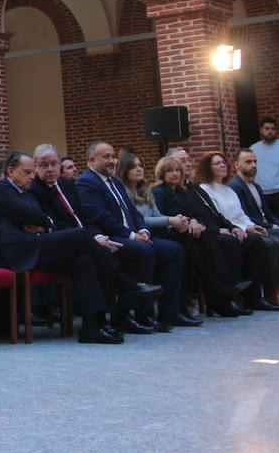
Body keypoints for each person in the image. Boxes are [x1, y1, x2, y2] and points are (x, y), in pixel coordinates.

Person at [0, 151, 161, 344]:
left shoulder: (24, 191)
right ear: (11, 170)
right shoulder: (0, 188)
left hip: (35, 243)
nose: (32, 177)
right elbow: (35, 216)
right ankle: (123, 283)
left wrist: (42, 222)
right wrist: (43, 221)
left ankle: (92, 326)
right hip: (17, 251)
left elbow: (38, 217)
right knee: (81, 235)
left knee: (85, 261)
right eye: (27, 172)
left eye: (32, 173)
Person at [30, 144, 156, 334]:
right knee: (94, 258)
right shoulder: (34, 189)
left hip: (84, 242)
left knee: (93, 258)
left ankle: (102, 322)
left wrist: (98, 236)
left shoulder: (67, 184)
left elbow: (85, 218)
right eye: (44, 165)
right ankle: (101, 317)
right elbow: (52, 224)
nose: (50, 169)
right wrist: (92, 240)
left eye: (54, 164)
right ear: (35, 166)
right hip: (57, 247)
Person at [73, 141, 195, 329]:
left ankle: (171, 313)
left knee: (174, 250)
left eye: (113, 156)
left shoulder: (115, 182)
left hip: (131, 234)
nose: (112, 161)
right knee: (143, 250)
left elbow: (133, 211)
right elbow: (100, 216)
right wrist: (131, 235)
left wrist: (143, 230)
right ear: (91, 160)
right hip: (109, 237)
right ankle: (131, 315)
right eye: (106, 157)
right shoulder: (86, 182)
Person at [122, 152, 245, 316]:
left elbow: (164, 214)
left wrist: (185, 220)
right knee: (187, 243)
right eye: (170, 171)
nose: (175, 174)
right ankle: (219, 290)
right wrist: (172, 220)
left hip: (175, 229)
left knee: (208, 239)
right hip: (159, 233)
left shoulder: (153, 190)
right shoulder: (155, 191)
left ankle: (223, 288)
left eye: (140, 166)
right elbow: (140, 219)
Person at [189, 151, 279, 311]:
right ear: (207, 168)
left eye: (223, 162)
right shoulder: (205, 189)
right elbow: (220, 216)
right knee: (263, 243)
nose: (222, 165)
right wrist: (239, 228)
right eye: (217, 163)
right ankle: (251, 296)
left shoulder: (229, 189)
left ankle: (257, 296)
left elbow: (241, 214)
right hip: (228, 231)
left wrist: (250, 226)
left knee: (274, 241)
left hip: (240, 228)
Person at [231, 148, 279, 295]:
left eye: (255, 162)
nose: (253, 165)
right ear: (236, 165)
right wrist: (277, 228)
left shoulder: (256, 186)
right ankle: (278, 293)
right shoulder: (235, 186)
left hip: (267, 225)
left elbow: (268, 214)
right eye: (248, 162)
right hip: (255, 228)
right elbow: (246, 217)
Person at [249, 118, 279, 225]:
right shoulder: (254, 149)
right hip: (263, 195)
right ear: (261, 130)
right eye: (267, 128)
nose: (270, 131)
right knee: (269, 225)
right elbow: (251, 172)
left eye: (273, 129)